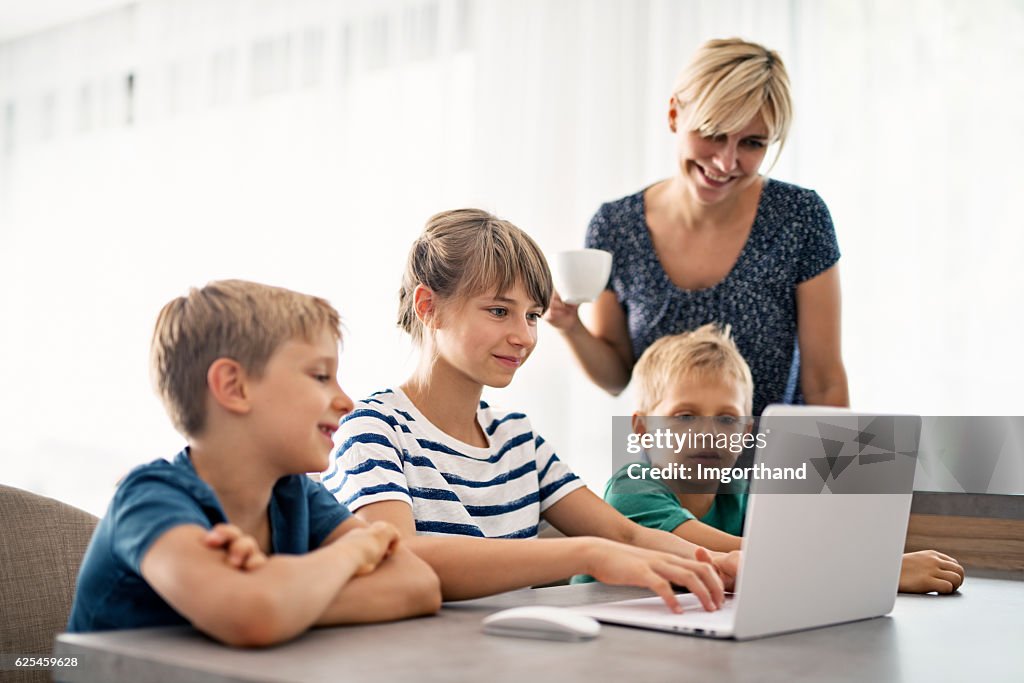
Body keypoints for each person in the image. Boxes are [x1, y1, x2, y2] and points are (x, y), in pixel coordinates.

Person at [323, 209, 738, 613]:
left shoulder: (517, 439)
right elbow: (401, 555)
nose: (523, 336)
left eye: (533, 316)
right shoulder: (373, 430)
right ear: (428, 306)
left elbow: (623, 531)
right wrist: (585, 554)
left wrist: (718, 563)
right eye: (500, 311)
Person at [67, 280, 441, 646]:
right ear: (234, 387)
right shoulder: (148, 499)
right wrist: (354, 550)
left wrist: (280, 597)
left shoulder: (295, 493)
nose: (347, 402)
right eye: (321, 376)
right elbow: (255, 616)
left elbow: (419, 585)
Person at [546, 37, 848, 416]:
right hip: (664, 472)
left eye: (752, 143)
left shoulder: (800, 217)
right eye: (713, 133)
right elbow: (617, 378)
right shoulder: (615, 227)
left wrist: (837, 475)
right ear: (674, 115)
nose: (725, 162)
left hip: (779, 467)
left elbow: (824, 383)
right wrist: (570, 326)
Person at [597, 324, 965, 594]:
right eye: (685, 416)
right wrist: (875, 569)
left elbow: (793, 548)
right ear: (643, 428)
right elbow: (710, 550)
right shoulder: (631, 489)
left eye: (727, 418)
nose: (708, 432)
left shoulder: (742, 490)